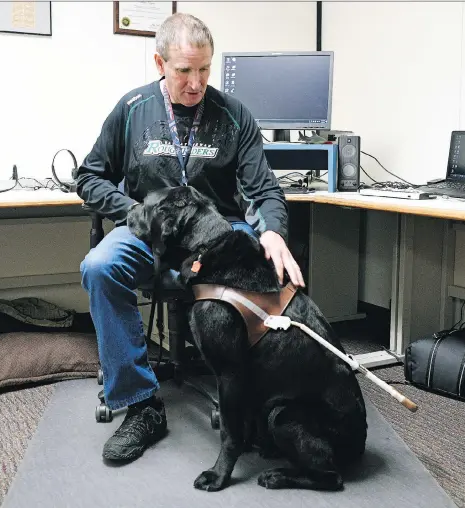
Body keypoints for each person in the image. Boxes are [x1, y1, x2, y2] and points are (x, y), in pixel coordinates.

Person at [75, 12, 304, 463]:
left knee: (268, 270)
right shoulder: (132, 110)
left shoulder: (233, 115)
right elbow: (89, 177)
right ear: (160, 63)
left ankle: (263, 397)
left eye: (204, 69)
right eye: (184, 70)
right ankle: (141, 404)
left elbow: (265, 189)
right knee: (99, 268)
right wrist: (136, 211)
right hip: (151, 234)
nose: (196, 82)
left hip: (218, 232)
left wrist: (274, 230)